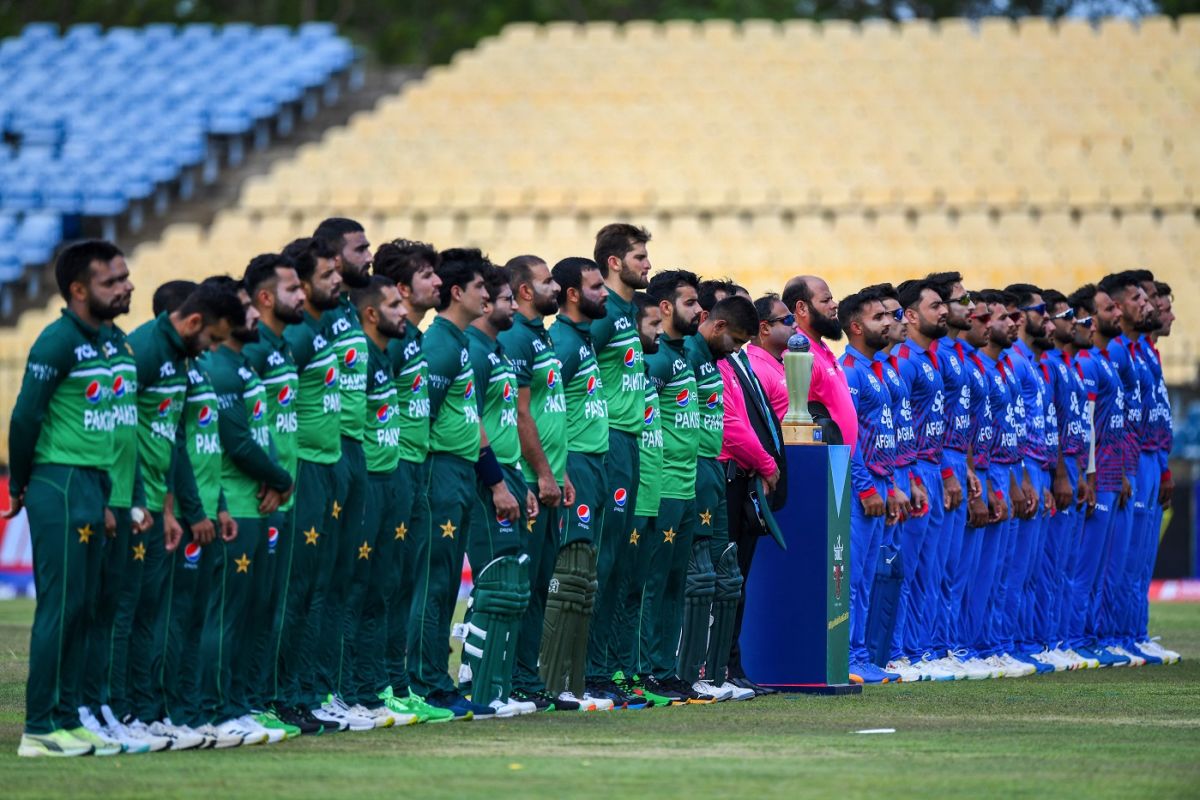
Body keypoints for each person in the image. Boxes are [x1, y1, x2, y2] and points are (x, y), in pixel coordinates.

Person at [9, 241, 132, 757]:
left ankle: (68, 717)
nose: (126, 287)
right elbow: (24, 417)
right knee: (62, 607)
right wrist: (18, 485)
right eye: (113, 281)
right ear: (78, 290)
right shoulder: (56, 341)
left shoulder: (108, 342)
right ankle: (39, 727)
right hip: (58, 483)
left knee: (84, 606)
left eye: (125, 277)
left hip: (93, 483)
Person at [410, 248, 513, 721]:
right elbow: (421, 421)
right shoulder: (441, 347)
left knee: (446, 583)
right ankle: (424, 682)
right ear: (458, 293)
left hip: (458, 472)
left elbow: (468, 420)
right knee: (432, 584)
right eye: (480, 289)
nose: (488, 296)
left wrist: (491, 479)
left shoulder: (458, 343)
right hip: (439, 473)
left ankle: (436, 681)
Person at [197, 276, 295, 743]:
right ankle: (215, 708)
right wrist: (280, 478)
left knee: (251, 612)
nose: (255, 315)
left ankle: (237, 703)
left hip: (256, 506)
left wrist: (276, 477)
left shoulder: (240, 366)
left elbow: (262, 435)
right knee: (226, 614)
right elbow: (235, 439)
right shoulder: (220, 369)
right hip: (235, 505)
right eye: (245, 309)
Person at [369, 240, 457, 723]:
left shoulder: (413, 340)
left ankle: (394, 684)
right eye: (428, 275)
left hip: (414, 470)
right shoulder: (391, 343)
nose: (438, 283)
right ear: (402, 288)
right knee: (376, 587)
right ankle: (369, 687)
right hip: (390, 470)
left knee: (401, 584)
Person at [272, 236, 352, 732]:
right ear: (300, 285)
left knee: (317, 590)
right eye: (328, 275)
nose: (338, 281)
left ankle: (305, 692)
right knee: (294, 589)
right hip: (299, 471)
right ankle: (279, 694)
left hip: (327, 467)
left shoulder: (319, 332)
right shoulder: (298, 336)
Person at [497, 255, 580, 711]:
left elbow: (551, 413)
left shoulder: (540, 337)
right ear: (526, 290)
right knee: (519, 585)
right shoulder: (516, 339)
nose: (555, 288)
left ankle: (528, 677)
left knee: (541, 583)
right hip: (528, 479)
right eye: (548, 281)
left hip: (548, 475)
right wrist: (542, 475)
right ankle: (504, 676)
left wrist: (560, 471)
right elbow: (521, 413)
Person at [241, 253, 318, 732]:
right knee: (250, 605)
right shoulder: (251, 351)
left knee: (273, 601)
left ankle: (263, 699)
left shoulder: (282, 346)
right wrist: (271, 476)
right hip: (256, 494)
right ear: (266, 297)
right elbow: (241, 428)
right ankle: (246, 701)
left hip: (282, 490)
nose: (302, 296)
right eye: (293, 290)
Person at [339, 275, 421, 726]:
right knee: (357, 589)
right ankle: (345, 689)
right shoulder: (360, 356)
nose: (403, 312)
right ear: (371, 313)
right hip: (367, 481)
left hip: (388, 478)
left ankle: (367, 690)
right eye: (393, 305)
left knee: (380, 589)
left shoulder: (384, 353)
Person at [460, 266, 538, 717]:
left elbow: (505, 421)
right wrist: (494, 482)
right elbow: (470, 424)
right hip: (481, 477)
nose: (514, 306)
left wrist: (518, 480)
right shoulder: (472, 351)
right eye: (506, 299)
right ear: (484, 304)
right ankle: (478, 687)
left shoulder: (497, 351)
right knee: (495, 583)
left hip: (508, 473)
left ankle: (497, 686)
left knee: (512, 583)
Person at [544, 257, 619, 711]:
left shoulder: (583, 341)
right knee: (570, 574)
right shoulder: (564, 345)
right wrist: (559, 468)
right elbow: (541, 408)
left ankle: (572, 682)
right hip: (573, 468)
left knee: (585, 577)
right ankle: (552, 682)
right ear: (573, 294)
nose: (606, 293)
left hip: (593, 468)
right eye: (596, 287)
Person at [681, 293, 759, 701]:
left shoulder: (713, 362)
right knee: (692, 577)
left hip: (710, 472)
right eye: (738, 341)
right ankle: (682, 670)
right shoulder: (688, 359)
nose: (739, 350)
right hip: (688, 473)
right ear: (718, 326)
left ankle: (709, 671)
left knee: (718, 578)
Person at [586, 224, 652, 703]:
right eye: (639, 257)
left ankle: (605, 668)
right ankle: (586, 671)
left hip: (627, 445)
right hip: (605, 444)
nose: (647, 264)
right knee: (602, 562)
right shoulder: (604, 313)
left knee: (618, 565)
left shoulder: (628, 313)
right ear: (614, 262)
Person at [310, 218, 373, 715]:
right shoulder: (311, 323)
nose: (367, 254)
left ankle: (329, 689)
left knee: (343, 582)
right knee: (312, 583)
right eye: (359, 248)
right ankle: (299, 693)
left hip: (352, 453)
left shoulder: (348, 314)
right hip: (317, 458)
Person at [641, 270, 713, 704]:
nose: (699, 311)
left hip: (686, 486)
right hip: (663, 485)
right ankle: (646, 669)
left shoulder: (685, 353)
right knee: (654, 583)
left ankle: (666, 670)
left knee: (674, 585)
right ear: (665, 307)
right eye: (689, 303)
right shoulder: (657, 359)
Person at [894, 279, 961, 676]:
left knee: (934, 569)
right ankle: (906, 650)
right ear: (913, 315)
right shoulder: (905, 360)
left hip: (934, 466)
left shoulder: (931, 358)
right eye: (937, 305)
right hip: (914, 468)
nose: (946, 312)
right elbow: (903, 425)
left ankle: (928, 648)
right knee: (912, 569)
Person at [719, 296, 785, 695]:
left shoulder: (738, 361)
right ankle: (719, 667)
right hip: (731, 477)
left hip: (745, 478)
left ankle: (731, 666)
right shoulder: (723, 363)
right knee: (724, 580)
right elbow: (732, 424)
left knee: (734, 581)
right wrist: (766, 462)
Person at [838, 288, 903, 685]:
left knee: (867, 577)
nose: (889, 322)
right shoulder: (850, 371)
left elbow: (885, 436)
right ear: (857, 327)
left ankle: (861, 654)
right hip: (862, 492)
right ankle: (847, 655)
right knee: (852, 579)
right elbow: (850, 439)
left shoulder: (876, 371)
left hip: (881, 485)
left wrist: (891, 483)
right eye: (880, 317)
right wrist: (864, 488)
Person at [1065, 284, 1128, 669]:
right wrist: (1091, 471)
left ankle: (1095, 635)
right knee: (1084, 564)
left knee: (1104, 564)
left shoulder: (1101, 359)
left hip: (1105, 468)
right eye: (1105, 310)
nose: (1115, 314)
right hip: (1092, 470)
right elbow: (1086, 424)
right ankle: (1078, 636)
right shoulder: (1087, 363)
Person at [780, 275, 856, 447]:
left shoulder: (820, 346)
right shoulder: (798, 352)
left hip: (839, 463)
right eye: (826, 300)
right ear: (801, 308)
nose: (834, 305)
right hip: (820, 464)